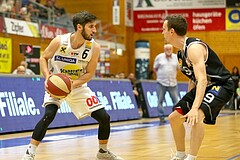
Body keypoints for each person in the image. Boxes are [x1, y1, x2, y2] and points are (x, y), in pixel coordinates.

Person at [21, 11, 124, 160]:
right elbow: (43, 58)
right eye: (91, 27)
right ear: (79, 27)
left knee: (104, 117)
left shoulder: (94, 48)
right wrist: (47, 77)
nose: (95, 30)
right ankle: (30, 152)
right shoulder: (59, 41)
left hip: (77, 86)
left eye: (95, 26)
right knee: (49, 115)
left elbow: (89, 73)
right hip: (56, 84)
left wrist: (72, 84)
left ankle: (102, 152)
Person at [162, 14, 234, 160]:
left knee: (197, 116)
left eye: (163, 29)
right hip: (204, 86)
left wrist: (194, 108)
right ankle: (180, 155)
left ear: (172, 31)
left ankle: (191, 157)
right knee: (174, 118)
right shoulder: (180, 54)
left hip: (221, 85)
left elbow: (202, 79)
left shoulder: (193, 48)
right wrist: (189, 102)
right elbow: (194, 79)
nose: (161, 32)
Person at [153, 44, 179, 123]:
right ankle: (161, 116)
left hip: (173, 83)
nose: (168, 50)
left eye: (170, 49)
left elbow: (178, 68)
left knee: (176, 101)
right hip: (161, 82)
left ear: (172, 49)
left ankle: (176, 116)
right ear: (164, 50)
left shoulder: (176, 57)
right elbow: (155, 68)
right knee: (160, 100)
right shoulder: (159, 57)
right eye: (167, 49)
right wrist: (160, 75)